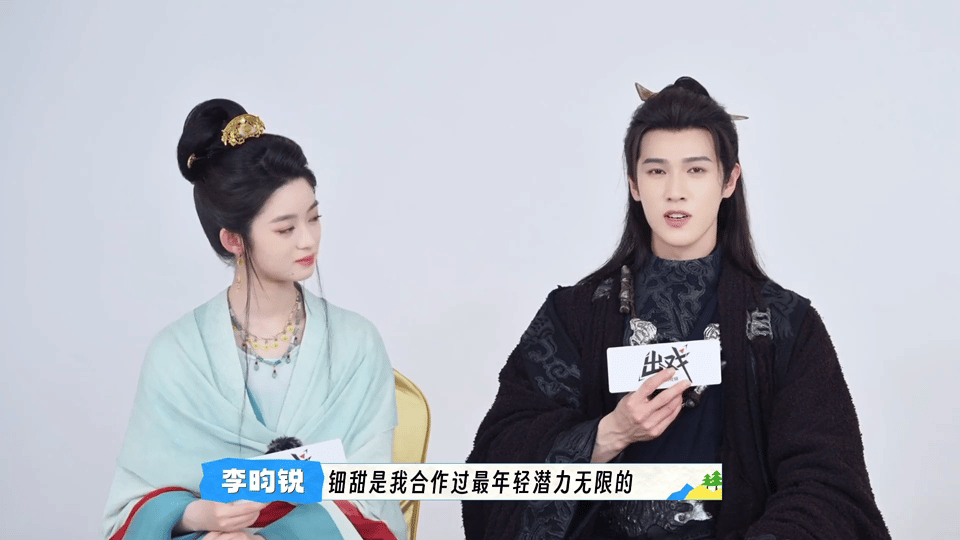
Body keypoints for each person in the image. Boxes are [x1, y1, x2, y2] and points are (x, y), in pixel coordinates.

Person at [463, 78, 890, 540]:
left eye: (696, 170)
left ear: (729, 181)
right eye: (656, 171)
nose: (675, 191)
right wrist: (607, 435)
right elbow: (497, 463)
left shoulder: (784, 324)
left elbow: (827, 486)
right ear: (634, 183)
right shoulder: (573, 316)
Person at [102, 99, 406, 540]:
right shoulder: (177, 352)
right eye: (285, 229)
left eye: (314, 218)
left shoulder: (357, 342)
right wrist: (199, 517)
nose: (308, 240)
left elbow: (370, 496)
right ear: (233, 239)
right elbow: (135, 505)